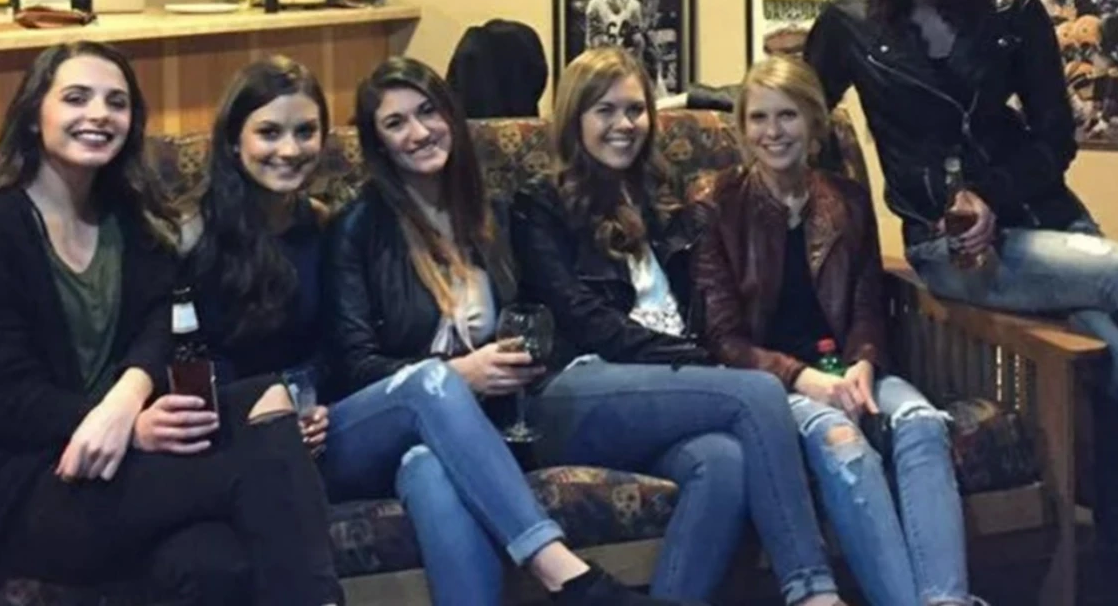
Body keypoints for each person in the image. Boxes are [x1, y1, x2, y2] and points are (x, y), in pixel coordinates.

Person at [804, 0, 1118, 605]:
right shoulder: (850, 18)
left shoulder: (1010, 7)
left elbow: (1056, 135)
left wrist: (994, 193)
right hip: (950, 242)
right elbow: (801, 101)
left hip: (1044, 215)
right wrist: (710, 104)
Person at [0, 41, 342, 606]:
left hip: (124, 452)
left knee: (217, 551)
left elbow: (164, 322)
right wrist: (112, 423)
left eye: (116, 102)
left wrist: (126, 402)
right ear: (35, 115)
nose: (99, 114)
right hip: (24, 480)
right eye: (76, 98)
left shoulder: (128, 216)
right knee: (261, 465)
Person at [299, 56, 692, 606]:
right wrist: (463, 373)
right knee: (433, 384)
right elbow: (354, 364)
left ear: (451, 116)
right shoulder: (356, 229)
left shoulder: (492, 215)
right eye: (396, 123)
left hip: (467, 431)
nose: (419, 132)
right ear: (378, 142)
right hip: (371, 425)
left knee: (429, 471)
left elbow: (538, 316)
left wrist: (522, 360)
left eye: (428, 112)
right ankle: (567, 576)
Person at [512, 47, 849, 606]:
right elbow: (584, 320)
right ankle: (813, 592)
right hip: (576, 389)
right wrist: (700, 362)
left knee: (723, 462)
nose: (624, 124)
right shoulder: (539, 204)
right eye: (604, 111)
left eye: (635, 109)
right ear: (574, 118)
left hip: (669, 390)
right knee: (757, 393)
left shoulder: (663, 198)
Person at [694, 57, 977, 606]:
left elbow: (868, 301)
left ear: (814, 122)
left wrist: (864, 361)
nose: (773, 131)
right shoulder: (716, 202)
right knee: (843, 443)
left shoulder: (845, 198)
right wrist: (804, 379)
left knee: (921, 423)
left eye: (788, 115)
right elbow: (722, 337)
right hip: (774, 384)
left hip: (848, 366)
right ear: (743, 128)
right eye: (759, 118)